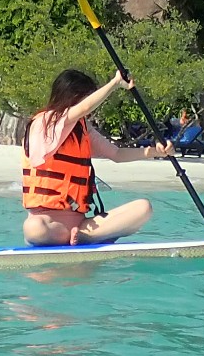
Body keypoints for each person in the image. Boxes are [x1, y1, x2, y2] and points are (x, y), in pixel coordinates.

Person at [21, 69, 174, 247]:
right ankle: (78, 238)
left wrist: (156, 152)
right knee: (33, 228)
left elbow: (117, 154)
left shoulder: (83, 129)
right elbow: (84, 108)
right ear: (73, 97)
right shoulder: (45, 123)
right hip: (49, 226)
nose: (92, 108)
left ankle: (87, 238)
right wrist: (115, 83)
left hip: (83, 227)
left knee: (143, 208)